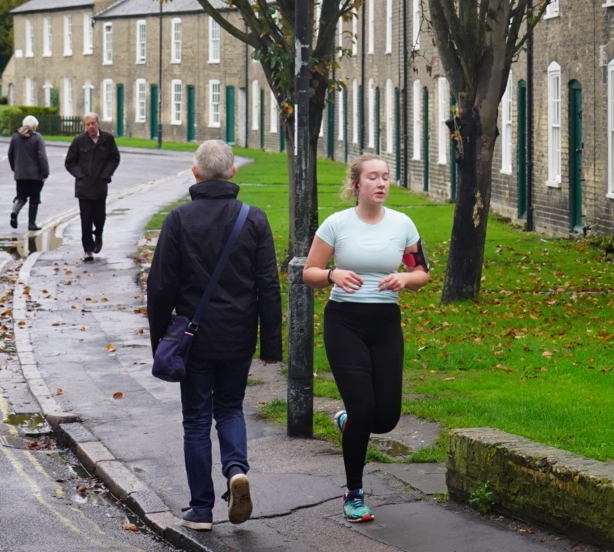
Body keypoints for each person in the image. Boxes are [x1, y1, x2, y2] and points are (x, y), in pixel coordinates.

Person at [147, 140, 280, 533]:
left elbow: (160, 287)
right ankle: (236, 469)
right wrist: (270, 343)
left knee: (195, 421)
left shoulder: (179, 220)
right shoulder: (253, 219)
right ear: (233, 173)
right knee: (230, 408)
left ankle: (201, 509)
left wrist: (161, 342)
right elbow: (268, 285)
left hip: (194, 339)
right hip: (238, 335)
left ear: (195, 173)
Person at [302, 153, 430, 523]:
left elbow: (421, 271)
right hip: (346, 323)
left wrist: (405, 279)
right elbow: (309, 271)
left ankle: (349, 421)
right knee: (363, 409)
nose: (381, 183)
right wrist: (332, 276)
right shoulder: (336, 225)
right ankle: (354, 492)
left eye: (386, 177)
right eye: (373, 177)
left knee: (385, 417)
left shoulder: (403, 224)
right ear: (357, 184)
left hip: (385, 323)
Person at [63, 112, 119, 261]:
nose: (91, 127)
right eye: (88, 124)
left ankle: (98, 234)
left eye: (93, 123)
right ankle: (88, 249)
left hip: (100, 185)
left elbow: (114, 158)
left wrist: (106, 174)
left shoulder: (107, 139)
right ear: (84, 126)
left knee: (100, 217)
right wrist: (80, 175)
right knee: (86, 220)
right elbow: (70, 162)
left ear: (98, 123)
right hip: (84, 187)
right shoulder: (79, 141)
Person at [6, 114, 50, 231]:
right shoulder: (37, 137)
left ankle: (15, 211)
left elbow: (10, 154)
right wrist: (45, 173)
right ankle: (32, 224)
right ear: (34, 126)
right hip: (35, 175)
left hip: (20, 174)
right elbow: (42, 157)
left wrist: (15, 169)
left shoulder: (15, 137)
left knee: (21, 197)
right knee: (34, 198)